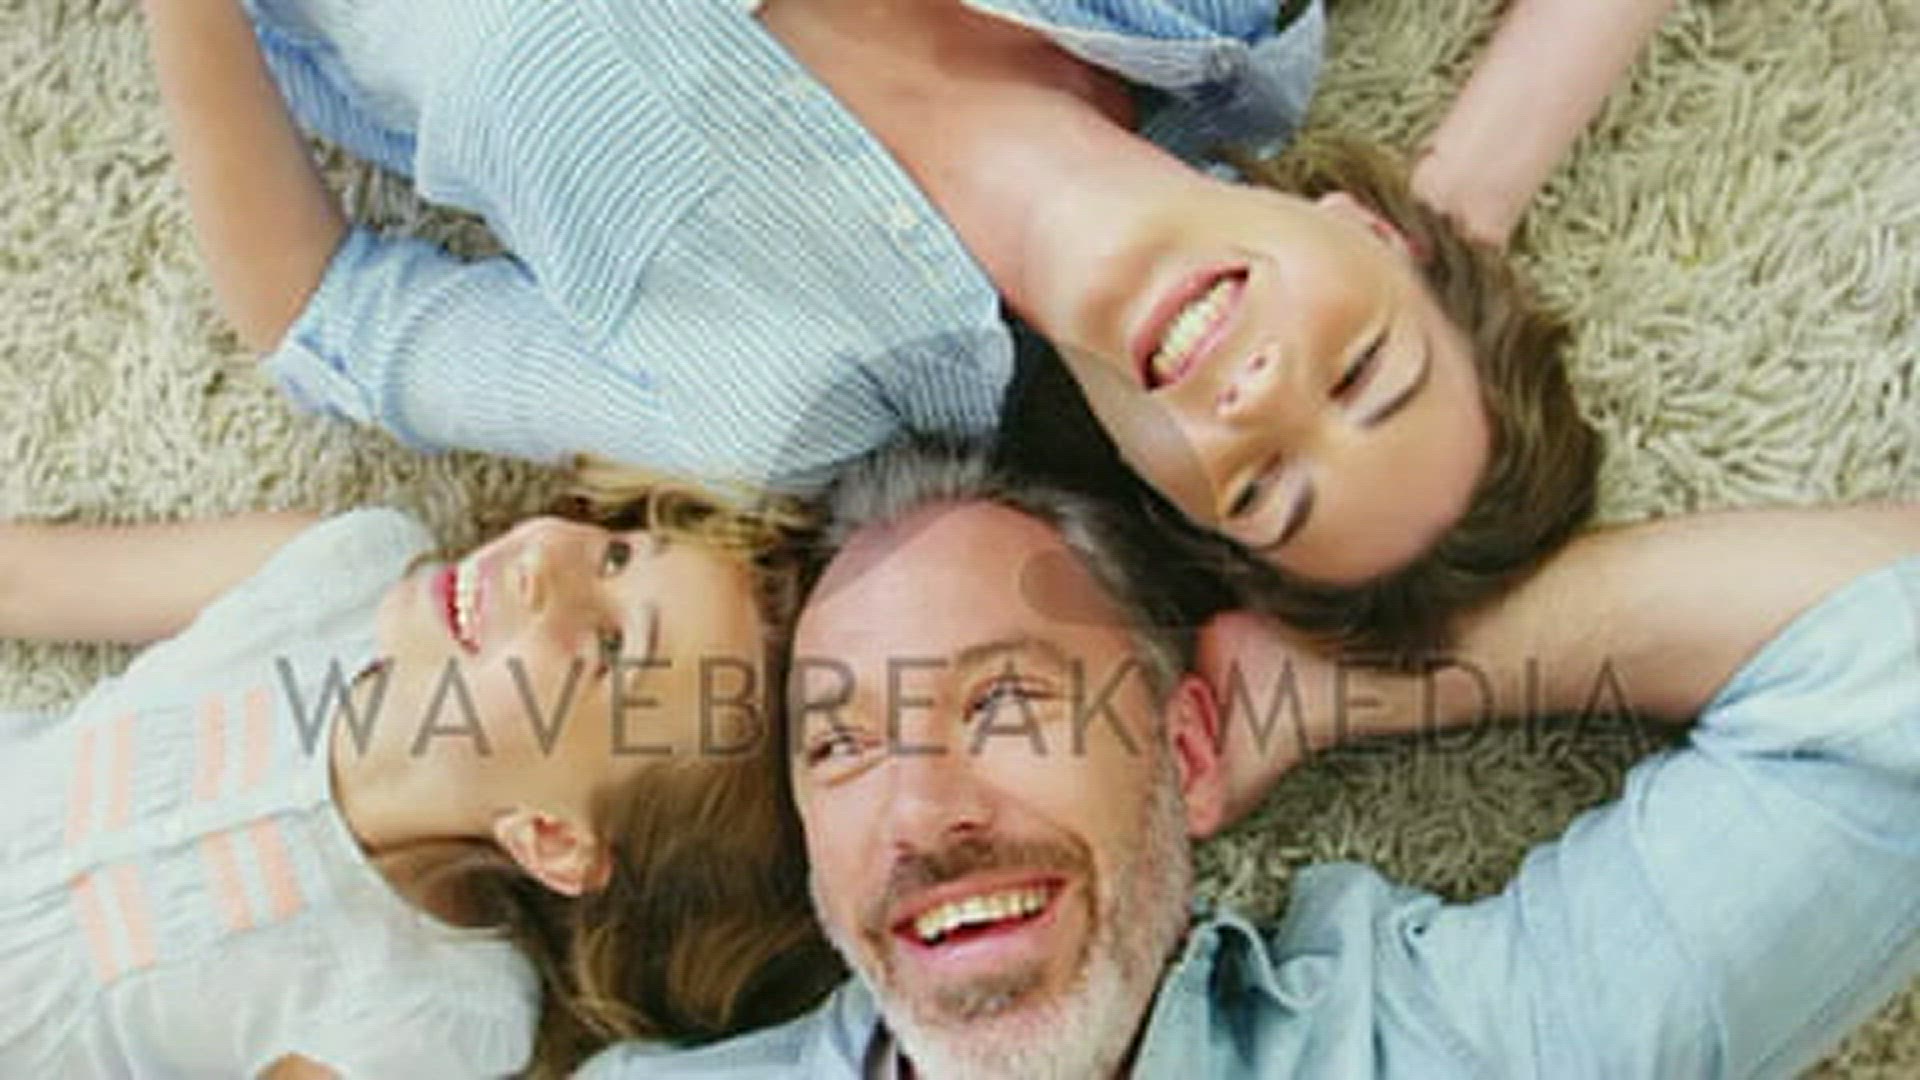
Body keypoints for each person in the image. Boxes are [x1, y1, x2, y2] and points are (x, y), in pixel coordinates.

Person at [136, 0, 1653, 625]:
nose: (1262, 398)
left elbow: (326, 318)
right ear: (1370, 232)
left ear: (1171, 506)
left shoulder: (768, 398)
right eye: (1364, 367)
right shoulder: (1207, 13)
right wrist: (1462, 197)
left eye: (1263, 490)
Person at [582, 440, 1920, 1078]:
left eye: (1007, 703)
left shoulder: (1453, 1051)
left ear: (1187, 752)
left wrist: (1357, 679)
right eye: (840, 744)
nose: (922, 814)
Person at [0, 470, 839, 1078]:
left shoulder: (426, 1019)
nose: (542, 561)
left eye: (610, 646)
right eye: (617, 555)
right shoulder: (341, 576)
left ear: (552, 838)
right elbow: (24, 579)